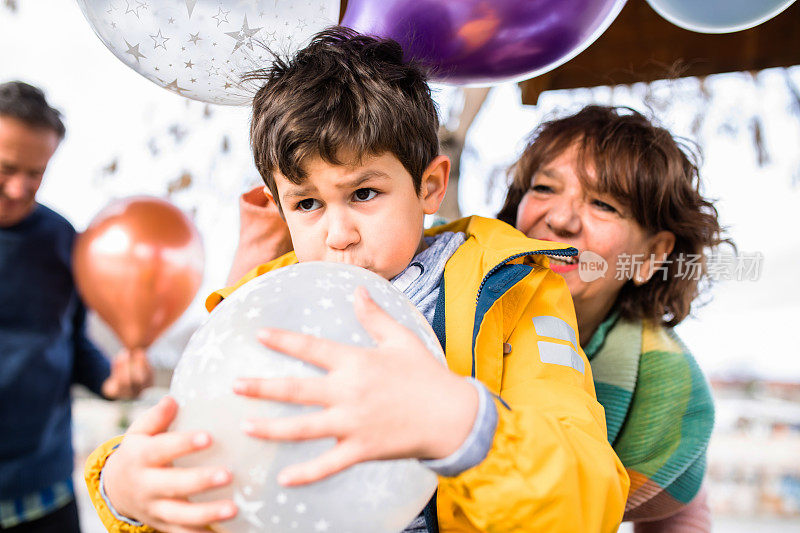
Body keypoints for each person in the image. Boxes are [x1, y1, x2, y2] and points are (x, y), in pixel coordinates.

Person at [84, 29, 629, 533]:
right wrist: (121, 492)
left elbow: (588, 498)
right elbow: (210, 473)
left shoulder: (514, 292)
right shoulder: (254, 310)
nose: (339, 234)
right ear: (279, 207)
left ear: (431, 186)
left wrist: (461, 425)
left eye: (364, 194)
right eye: (307, 203)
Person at [497, 105, 722, 531]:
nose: (560, 220)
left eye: (603, 204)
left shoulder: (670, 393)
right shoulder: (442, 299)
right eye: (544, 188)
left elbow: (681, 515)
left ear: (651, 255)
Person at [0, 81, 153, 532]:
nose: (18, 189)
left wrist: (114, 380)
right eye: (5, 168)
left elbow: (72, 342)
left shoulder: (63, 239)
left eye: (36, 173)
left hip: (45, 490)